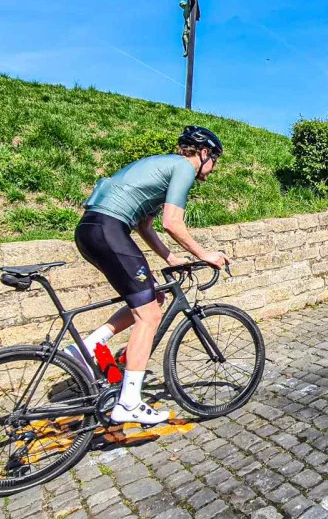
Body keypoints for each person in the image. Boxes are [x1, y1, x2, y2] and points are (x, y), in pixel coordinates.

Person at [68, 126, 229, 425]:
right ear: (205, 153)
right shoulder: (183, 167)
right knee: (150, 316)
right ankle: (128, 402)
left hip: (91, 229)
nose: (213, 168)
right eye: (214, 160)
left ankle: (88, 347)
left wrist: (170, 257)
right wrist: (203, 254)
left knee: (151, 295)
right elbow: (172, 222)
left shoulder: (163, 166)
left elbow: (145, 226)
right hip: (109, 229)